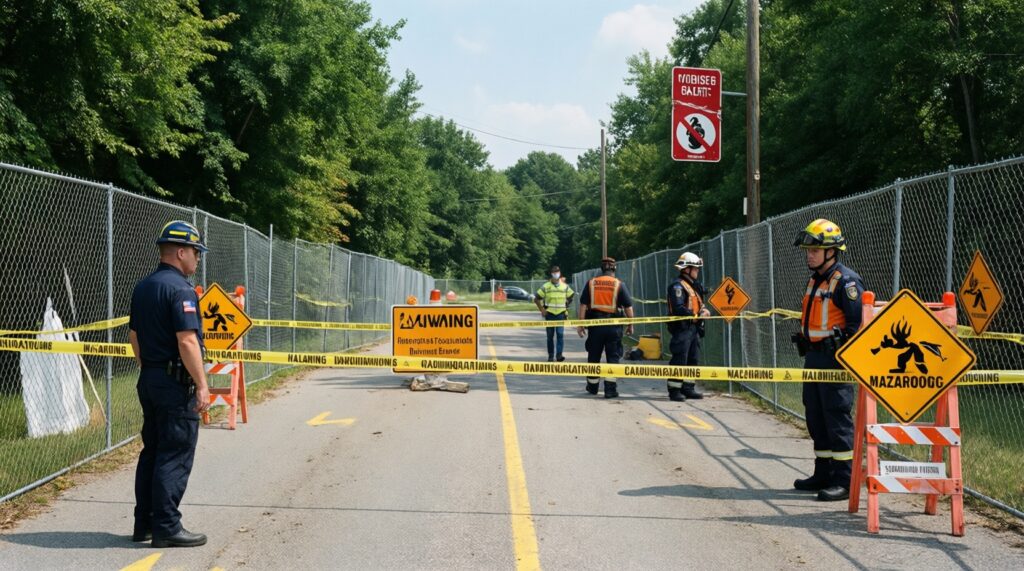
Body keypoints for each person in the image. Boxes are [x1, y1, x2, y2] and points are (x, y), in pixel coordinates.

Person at [128, 220, 211, 547]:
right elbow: (187, 341)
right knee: (174, 452)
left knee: (152, 450)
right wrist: (202, 384)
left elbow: (134, 337)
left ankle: (145, 523)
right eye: (195, 252)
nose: (198, 259)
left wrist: (150, 368)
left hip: (150, 378)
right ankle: (167, 526)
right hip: (175, 384)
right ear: (180, 252)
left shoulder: (143, 287)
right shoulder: (181, 290)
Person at [791, 218, 864, 502]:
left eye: (814, 250)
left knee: (836, 417)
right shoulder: (815, 279)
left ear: (831, 251)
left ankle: (844, 480)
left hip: (835, 361)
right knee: (816, 415)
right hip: (814, 357)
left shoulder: (847, 282)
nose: (809, 255)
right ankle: (823, 473)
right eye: (808, 250)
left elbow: (857, 327)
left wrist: (841, 348)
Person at [576, 257, 634, 398]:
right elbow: (628, 307)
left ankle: (592, 387)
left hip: (595, 325)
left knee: (593, 355)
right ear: (614, 268)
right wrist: (630, 324)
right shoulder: (619, 284)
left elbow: (583, 305)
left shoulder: (591, 283)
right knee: (613, 357)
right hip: (613, 327)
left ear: (601, 269)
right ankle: (610, 390)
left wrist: (581, 324)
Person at [666, 252, 710, 401]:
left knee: (693, 359)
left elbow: (698, 304)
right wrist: (696, 315)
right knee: (680, 359)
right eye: (695, 268)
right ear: (686, 269)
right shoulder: (677, 286)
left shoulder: (693, 286)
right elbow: (678, 308)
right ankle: (674, 390)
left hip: (694, 329)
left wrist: (703, 310)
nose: (697, 271)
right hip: (682, 329)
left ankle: (688, 388)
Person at [535, 265, 575, 362]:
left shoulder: (564, 286)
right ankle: (551, 356)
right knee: (550, 336)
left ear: (560, 273)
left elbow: (571, 295)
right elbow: (536, 299)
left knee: (560, 335)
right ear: (551, 274)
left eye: (557, 272)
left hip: (561, 314)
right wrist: (542, 310)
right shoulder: (546, 286)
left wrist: (567, 304)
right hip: (550, 314)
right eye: (554, 272)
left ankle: (559, 355)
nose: (556, 274)